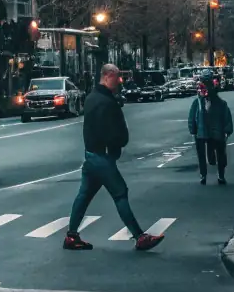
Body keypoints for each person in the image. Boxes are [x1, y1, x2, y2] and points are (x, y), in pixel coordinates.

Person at [62, 63, 165, 252]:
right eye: (117, 77)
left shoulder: (92, 98)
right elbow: (110, 131)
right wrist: (117, 143)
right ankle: (140, 237)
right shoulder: (105, 101)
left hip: (91, 155)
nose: (120, 81)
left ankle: (71, 235)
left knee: (84, 195)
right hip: (102, 157)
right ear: (108, 76)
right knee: (120, 193)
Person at [188, 75, 234, 185]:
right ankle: (203, 175)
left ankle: (221, 175)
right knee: (202, 154)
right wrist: (193, 130)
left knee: (220, 153)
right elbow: (192, 117)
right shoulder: (198, 103)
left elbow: (226, 116)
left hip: (216, 131)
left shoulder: (220, 103)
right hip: (201, 131)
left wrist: (227, 129)